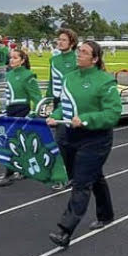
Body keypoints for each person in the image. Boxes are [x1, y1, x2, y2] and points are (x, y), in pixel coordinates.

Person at [46, 40, 122, 248]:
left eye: (84, 52)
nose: (78, 54)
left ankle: (65, 230)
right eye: (78, 50)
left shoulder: (105, 81)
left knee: (81, 182)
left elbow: (113, 113)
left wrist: (87, 118)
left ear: (95, 59)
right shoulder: (70, 78)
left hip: (96, 139)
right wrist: (55, 115)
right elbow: (65, 105)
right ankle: (106, 214)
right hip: (71, 137)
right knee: (93, 176)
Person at [0, 48, 42, 187]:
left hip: (22, 110)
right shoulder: (9, 74)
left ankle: (9, 174)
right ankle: (24, 170)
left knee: (12, 142)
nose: (12, 60)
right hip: (11, 111)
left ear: (23, 60)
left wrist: (32, 113)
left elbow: (37, 97)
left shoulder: (28, 75)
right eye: (11, 57)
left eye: (15, 58)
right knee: (17, 143)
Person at [46, 28, 79, 191]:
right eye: (58, 39)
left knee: (71, 143)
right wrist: (48, 100)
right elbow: (52, 81)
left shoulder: (76, 59)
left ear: (72, 43)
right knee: (59, 141)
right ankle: (63, 176)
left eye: (63, 40)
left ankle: (72, 175)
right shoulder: (54, 59)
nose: (59, 42)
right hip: (59, 102)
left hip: (74, 103)